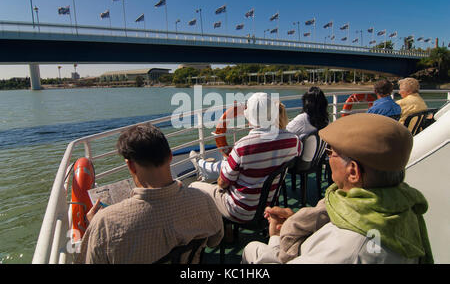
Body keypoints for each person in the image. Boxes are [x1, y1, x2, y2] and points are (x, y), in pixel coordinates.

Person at [242, 113, 433, 264]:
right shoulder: (407, 210)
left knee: (251, 249)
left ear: (353, 171)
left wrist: (275, 237)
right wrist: (295, 220)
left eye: (330, 152)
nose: (328, 158)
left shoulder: (347, 249)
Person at [76, 123, 223, 264]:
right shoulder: (203, 200)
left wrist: (93, 225)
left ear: (131, 165)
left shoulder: (105, 223)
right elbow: (215, 240)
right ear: (170, 156)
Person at [190, 93, 301, 223]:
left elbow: (222, 183)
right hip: (269, 203)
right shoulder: (294, 141)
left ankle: (216, 230)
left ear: (249, 117)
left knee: (195, 186)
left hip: (241, 211)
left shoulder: (243, 146)